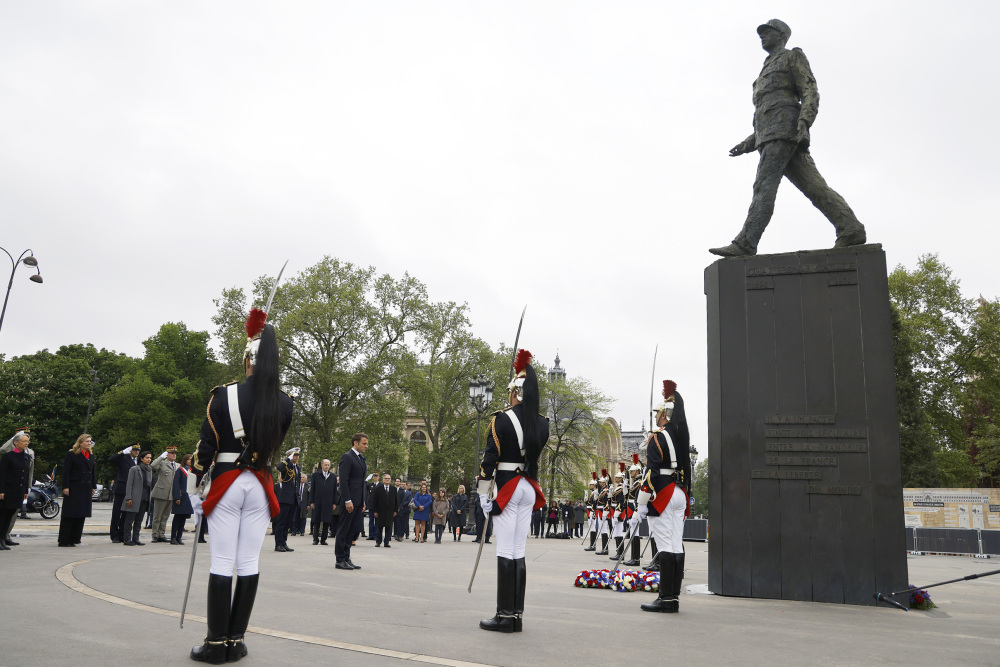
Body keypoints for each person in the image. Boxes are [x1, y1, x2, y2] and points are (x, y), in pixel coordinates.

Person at [188, 309, 294, 663]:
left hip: (228, 483)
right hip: (260, 485)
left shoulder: (224, 395)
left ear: (248, 359)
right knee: (248, 561)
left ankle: (215, 645)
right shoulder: (285, 402)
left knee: (221, 560)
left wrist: (195, 480)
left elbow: (205, 451)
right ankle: (237, 640)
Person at [710, 19, 866, 257]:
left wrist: (804, 123)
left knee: (764, 187)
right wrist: (749, 143)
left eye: (768, 32)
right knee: (813, 186)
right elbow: (770, 110)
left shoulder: (792, 57)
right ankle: (850, 229)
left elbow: (809, 91)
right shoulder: (765, 67)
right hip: (772, 134)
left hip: (785, 133)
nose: (762, 37)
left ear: (781, 35)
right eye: (761, 34)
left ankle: (745, 244)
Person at [477, 350, 548, 633]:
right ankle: (516, 614)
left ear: (515, 392)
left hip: (507, 486)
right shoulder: (542, 422)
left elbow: (488, 461)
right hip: (528, 487)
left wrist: (483, 493)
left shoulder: (501, 420)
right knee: (519, 550)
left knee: (506, 550)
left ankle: (504, 615)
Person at [639, 380, 692, 614]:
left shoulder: (658, 436)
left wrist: (642, 502)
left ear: (664, 414)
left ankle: (665, 598)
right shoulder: (681, 436)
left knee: (664, 546)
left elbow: (650, 472)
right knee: (676, 544)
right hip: (680, 492)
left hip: (664, 493)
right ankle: (673, 599)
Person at [334, 433, 368, 571]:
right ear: (355, 443)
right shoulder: (347, 457)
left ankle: (347, 557)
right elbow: (344, 481)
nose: (366, 446)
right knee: (343, 530)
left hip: (358, 501)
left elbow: (362, 482)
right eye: (364, 443)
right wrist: (347, 499)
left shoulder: (361, 459)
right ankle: (340, 559)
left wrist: (363, 500)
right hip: (349, 502)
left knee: (352, 531)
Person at [57, 434, 98, 547]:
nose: (89, 443)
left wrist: (93, 486)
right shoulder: (72, 454)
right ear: (80, 443)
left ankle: (75, 538)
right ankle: (65, 539)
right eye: (87, 441)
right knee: (71, 513)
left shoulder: (90, 455)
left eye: (90, 441)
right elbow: (66, 471)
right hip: (74, 486)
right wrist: (65, 486)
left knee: (81, 513)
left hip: (86, 487)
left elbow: (92, 472)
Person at [0, 429, 34, 546]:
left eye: (27, 441)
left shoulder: (27, 456)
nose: (26, 443)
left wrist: (26, 489)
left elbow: (26, 474)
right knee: (3, 515)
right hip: (8, 490)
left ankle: (4, 538)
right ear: (16, 442)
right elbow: (2, 474)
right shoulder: (8, 456)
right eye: (24, 441)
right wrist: (1, 490)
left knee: (10, 516)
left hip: (19, 491)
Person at [108, 443, 141, 543]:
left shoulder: (138, 461)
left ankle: (122, 534)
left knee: (126, 514)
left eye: (138, 450)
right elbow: (111, 460)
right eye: (135, 450)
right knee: (117, 514)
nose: (137, 452)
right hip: (122, 488)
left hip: (132, 491)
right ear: (130, 450)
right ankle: (114, 535)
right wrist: (122, 452)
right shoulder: (123, 458)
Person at [122, 450, 153, 546]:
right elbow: (129, 484)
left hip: (145, 498)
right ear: (141, 458)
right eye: (147, 457)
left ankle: (136, 538)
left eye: (150, 458)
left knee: (139, 520)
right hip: (134, 497)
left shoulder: (150, 469)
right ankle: (127, 539)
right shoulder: (134, 469)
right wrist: (128, 497)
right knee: (129, 520)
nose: (149, 460)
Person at [273, 447, 301, 552]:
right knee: (281, 522)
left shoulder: (297, 467)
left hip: (294, 499)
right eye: (295, 455)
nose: (297, 457)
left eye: (297, 455)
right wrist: (287, 459)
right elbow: (279, 467)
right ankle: (278, 544)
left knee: (288, 523)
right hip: (285, 498)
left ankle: (284, 542)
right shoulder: (286, 466)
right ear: (290, 456)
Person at [150, 445, 179, 543]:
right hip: (161, 493)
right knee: (157, 516)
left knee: (165, 516)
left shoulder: (178, 465)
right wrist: (161, 457)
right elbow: (153, 465)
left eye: (175, 453)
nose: (174, 455)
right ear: (167, 454)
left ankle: (161, 534)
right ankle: (155, 535)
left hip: (171, 494)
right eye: (171, 453)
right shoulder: (162, 463)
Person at [309, 459, 338, 546]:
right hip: (317, 501)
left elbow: (334, 491)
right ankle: (315, 539)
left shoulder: (332, 476)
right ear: (321, 465)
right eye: (325, 465)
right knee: (316, 520)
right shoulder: (315, 475)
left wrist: (334, 503)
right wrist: (312, 501)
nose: (327, 466)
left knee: (326, 521)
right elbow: (312, 489)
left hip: (328, 502)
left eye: (328, 465)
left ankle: (323, 539)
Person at [171, 454, 194, 545]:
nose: (190, 461)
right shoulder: (180, 470)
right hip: (181, 497)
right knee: (177, 518)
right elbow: (176, 484)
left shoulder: (191, 471)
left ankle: (179, 537)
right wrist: (177, 497)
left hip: (188, 497)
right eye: (189, 459)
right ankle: (173, 537)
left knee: (184, 518)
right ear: (185, 460)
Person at [370, 473, 397, 547]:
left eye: (389, 478)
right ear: (383, 480)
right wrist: (375, 511)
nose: (387, 480)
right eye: (386, 478)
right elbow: (374, 501)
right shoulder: (378, 489)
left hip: (390, 512)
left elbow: (396, 501)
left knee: (389, 527)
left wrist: (395, 511)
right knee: (379, 527)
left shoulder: (393, 489)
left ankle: (386, 542)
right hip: (380, 511)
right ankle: (378, 542)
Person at [583, 476, 598, 550]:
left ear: (594, 485)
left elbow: (594, 503)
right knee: (591, 528)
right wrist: (586, 497)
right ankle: (592, 544)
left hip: (592, 511)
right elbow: (588, 503)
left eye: (591, 485)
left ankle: (593, 545)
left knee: (593, 528)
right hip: (589, 511)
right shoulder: (592, 493)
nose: (590, 486)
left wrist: (593, 511)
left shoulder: (595, 492)